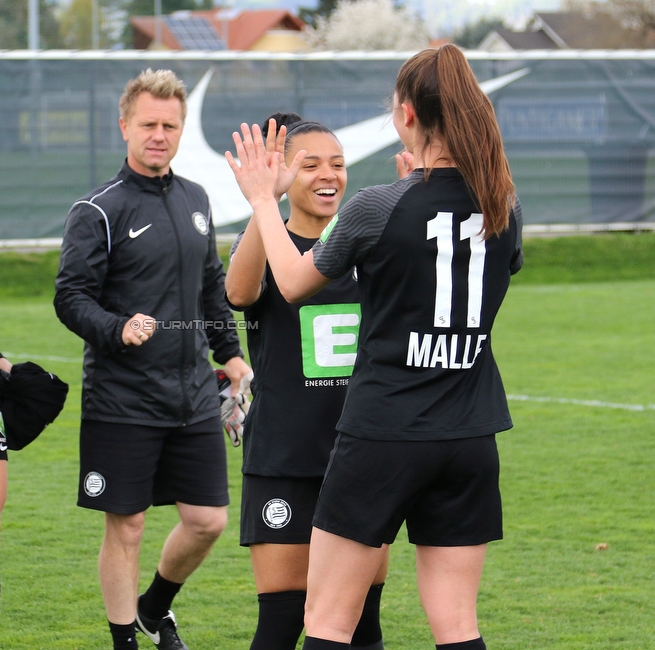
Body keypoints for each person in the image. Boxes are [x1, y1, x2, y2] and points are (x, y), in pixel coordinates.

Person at [226, 44, 523, 650]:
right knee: (458, 627)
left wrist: (262, 200)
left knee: (329, 622)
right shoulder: (503, 204)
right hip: (469, 437)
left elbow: (290, 283)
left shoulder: (377, 206)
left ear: (409, 115)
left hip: (384, 435)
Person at [54, 68, 253, 650]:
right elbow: (70, 298)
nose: (159, 135)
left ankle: (154, 604)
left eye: (170, 125)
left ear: (181, 129)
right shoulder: (96, 210)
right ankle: (124, 641)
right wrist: (117, 329)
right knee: (129, 525)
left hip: (192, 394)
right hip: (123, 398)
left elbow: (212, 287)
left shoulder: (196, 198)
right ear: (125, 126)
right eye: (148, 124)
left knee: (208, 520)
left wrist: (231, 355)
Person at [226, 113, 388, 650]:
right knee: (283, 618)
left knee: (361, 620)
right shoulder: (267, 242)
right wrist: (261, 204)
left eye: (338, 164)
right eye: (309, 164)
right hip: (285, 456)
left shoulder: (371, 245)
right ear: (281, 174)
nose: (328, 174)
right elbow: (239, 292)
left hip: (363, 455)